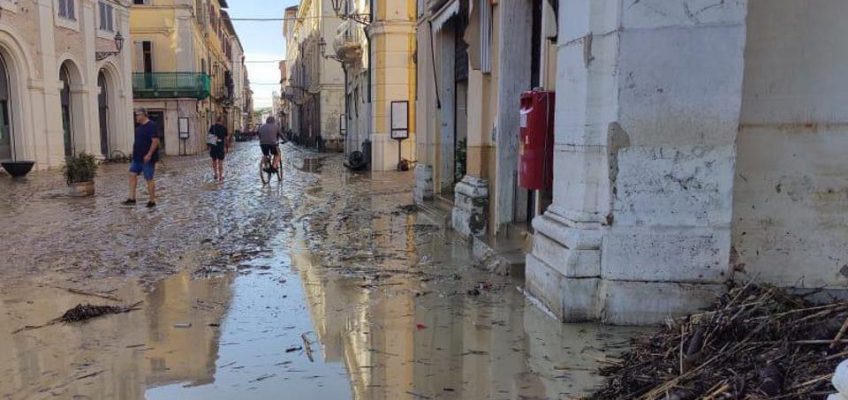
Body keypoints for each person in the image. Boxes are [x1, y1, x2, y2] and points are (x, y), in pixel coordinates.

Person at [124, 108, 160, 208]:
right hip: (137, 158)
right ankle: (131, 198)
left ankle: (152, 201)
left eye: (138, 114)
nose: (136, 117)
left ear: (144, 115)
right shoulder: (139, 128)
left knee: (149, 178)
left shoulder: (151, 126)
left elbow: (155, 141)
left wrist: (149, 154)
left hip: (147, 158)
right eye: (136, 115)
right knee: (132, 174)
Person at [208, 116, 229, 182]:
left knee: (214, 160)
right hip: (220, 146)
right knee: (220, 161)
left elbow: (209, 137)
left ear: (216, 120)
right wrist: (226, 147)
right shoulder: (224, 128)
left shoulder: (212, 127)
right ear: (221, 121)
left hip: (214, 145)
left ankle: (215, 174)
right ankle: (220, 176)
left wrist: (209, 146)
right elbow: (226, 139)